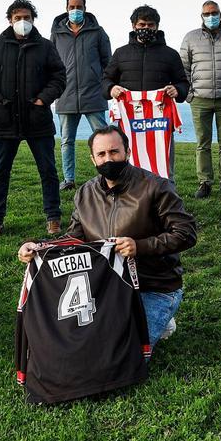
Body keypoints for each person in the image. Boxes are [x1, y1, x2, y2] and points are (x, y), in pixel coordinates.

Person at [18, 125, 197, 345]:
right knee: (86, 345)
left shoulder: (157, 187)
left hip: (154, 285)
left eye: (114, 152)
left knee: (123, 354)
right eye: (101, 154)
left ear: (127, 152)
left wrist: (140, 246)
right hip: (106, 286)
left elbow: (186, 233)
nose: (108, 159)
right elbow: (74, 239)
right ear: (93, 159)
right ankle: (148, 320)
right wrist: (36, 246)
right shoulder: (85, 193)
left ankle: (159, 312)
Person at [0, 0, 66, 238]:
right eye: (18, 18)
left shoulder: (46, 46)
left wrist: (41, 100)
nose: (23, 22)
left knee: (48, 171)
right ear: (10, 20)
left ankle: (53, 218)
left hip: (38, 120)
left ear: (33, 20)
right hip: (5, 120)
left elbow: (58, 77)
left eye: (27, 18)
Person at [103, 5, 190, 178]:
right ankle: (131, 200)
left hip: (160, 123)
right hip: (130, 122)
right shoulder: (121, 54)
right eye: (142, 25)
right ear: (134, 26)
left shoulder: (170, 54)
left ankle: (166, 199)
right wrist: (111, 88)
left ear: (157, 26)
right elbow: (105, 80)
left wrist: (177, 90)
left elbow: (183, 83)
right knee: (128, 164)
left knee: (163, 163)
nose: (146, 29)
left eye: (150, 25)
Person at [179, 0, 221, 199]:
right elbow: (183, 68)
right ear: (201, 16)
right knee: (202, 143)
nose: (211, 17)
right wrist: (190, 94)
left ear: (220, 14)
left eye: (214, 13)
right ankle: (204, 182)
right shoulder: (190, 38)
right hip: (200, 99)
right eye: (207, 14)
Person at [50, 0, 112, 192]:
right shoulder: (56, 34)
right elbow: (49, 63)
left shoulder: (98, 32)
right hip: (65, 95)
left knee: (102, 138)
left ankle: (107, 175)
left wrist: (102, 84)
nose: (75, 10)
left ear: (85, 8)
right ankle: (68, 179)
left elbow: (108, 63)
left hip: (93, 94)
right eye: (72, 7)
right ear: (66, 8)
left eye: (79, 7)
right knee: (67, 140)